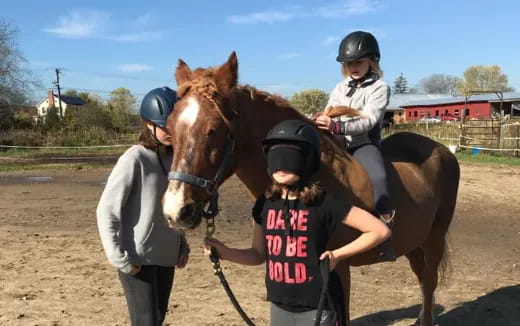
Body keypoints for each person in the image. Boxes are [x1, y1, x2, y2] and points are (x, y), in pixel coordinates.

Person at [204, 120, 391, 326]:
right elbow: (258, 254)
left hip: (319, 304)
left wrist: (338, 255)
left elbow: (379, 230)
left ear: (307, 160)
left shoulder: (323, 202)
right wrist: (225, 252)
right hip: (280, 303)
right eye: (276, 154)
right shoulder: (264, 205)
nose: (282, 163)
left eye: (291, 154)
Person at [97, 87, 190, 326]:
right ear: (149, 124)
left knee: (157, 319)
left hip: (166, 255)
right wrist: (118, 258)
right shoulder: (134, 159)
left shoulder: (176, 160)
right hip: (137, 259)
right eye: (165, 127)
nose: (172, 132)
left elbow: (173, 208)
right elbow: (106, 210)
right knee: (145, 321)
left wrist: (181, 244)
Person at [312, 30, 396, 261]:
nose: (353, 67)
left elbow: (369, 120)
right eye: (348, 64)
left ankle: (386, 231)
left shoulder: (380, 88)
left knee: (378, 177)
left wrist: (337, 127)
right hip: (336, 144)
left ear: (373, 61)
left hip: (363, 144)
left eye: (358, 62)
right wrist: (320, 121)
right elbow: (331, 112)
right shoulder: (340, 88)